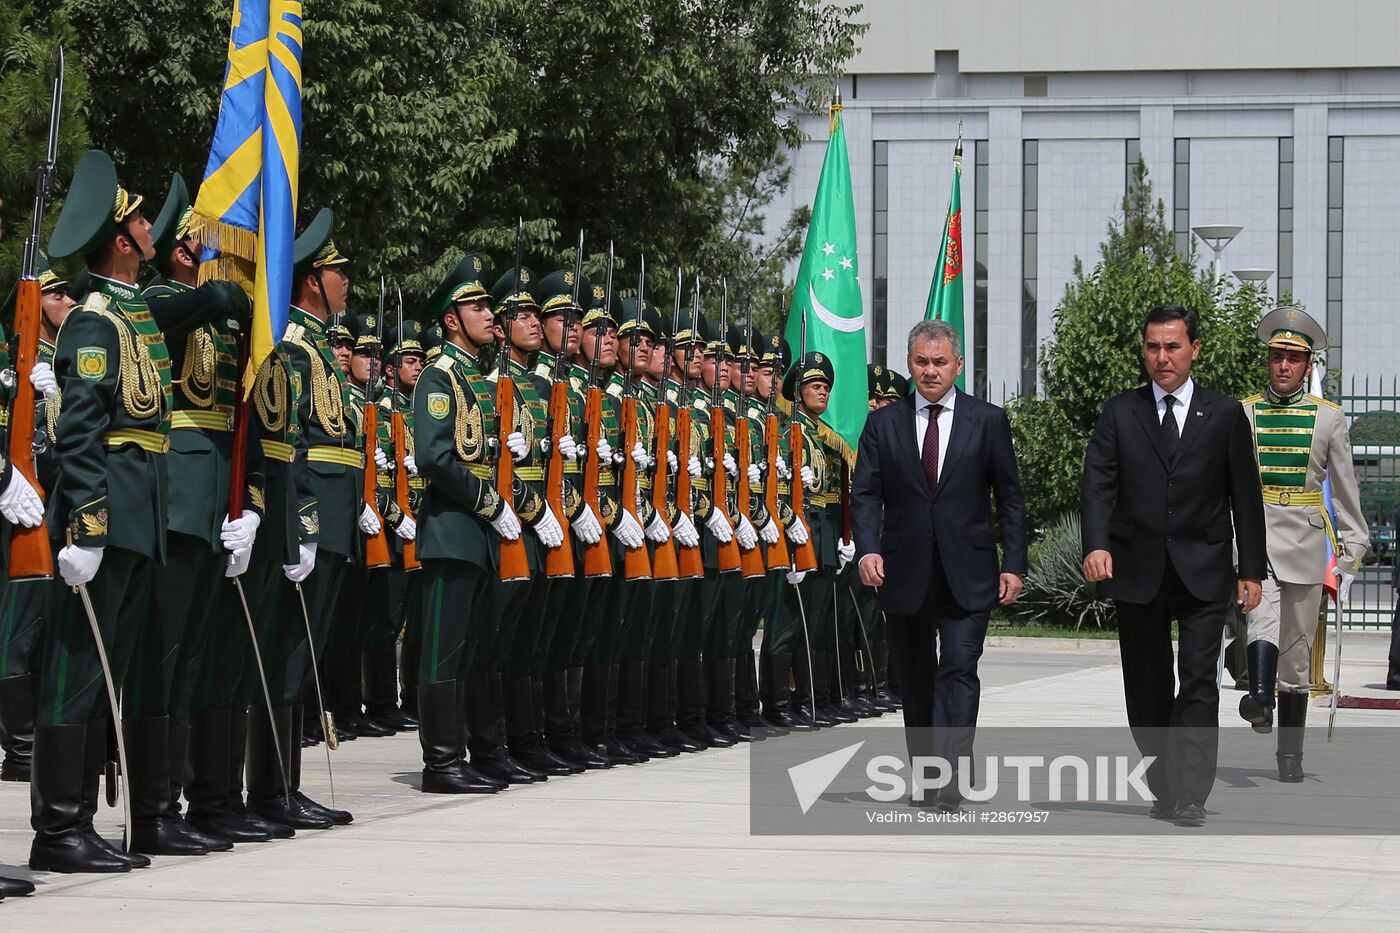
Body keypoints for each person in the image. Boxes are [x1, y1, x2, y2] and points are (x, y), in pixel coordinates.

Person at [1080, 303, 1265, 827]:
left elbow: (1245, 496)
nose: (1162, 357)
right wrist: (1096, 544)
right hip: (1136, 568)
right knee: (1146, 686)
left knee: (1199, 680)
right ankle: (1163, 783)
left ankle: (1191, 793)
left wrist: (1251, 570)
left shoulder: (1224, 414)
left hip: (1203, 568)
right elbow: (1097, 485)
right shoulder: (1121, 412)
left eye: (1173, 346)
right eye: (1153, 347)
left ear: (1194, 349)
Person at [852, 319, 1026, 811]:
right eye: (922, 362)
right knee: (916, 677)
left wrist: (1013, 563)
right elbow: (864, 494)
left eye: (940, 362)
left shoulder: (987, 421)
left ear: (959, 365)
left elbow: (1010, 500)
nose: (931, 371)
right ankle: (927, 776)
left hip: (968, 573)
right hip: (904, 572)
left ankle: (951, 775)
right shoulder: (883, 424)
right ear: (910, 364)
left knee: (959, 668)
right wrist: (868, 549)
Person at [1237, 306, 1368, 781]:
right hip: (1257, 536)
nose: (1284, 365)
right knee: (1261, 619)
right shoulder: (1244, 412)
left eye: (1293, 358)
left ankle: (1289, 755)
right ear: (1268, 360)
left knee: (1295, 653)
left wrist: (1353, 551)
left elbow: (1346, 489)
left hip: (1307, 540)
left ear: (1307, 364)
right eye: (1277, 356)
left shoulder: (1329, 418)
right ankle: (1258, 697)